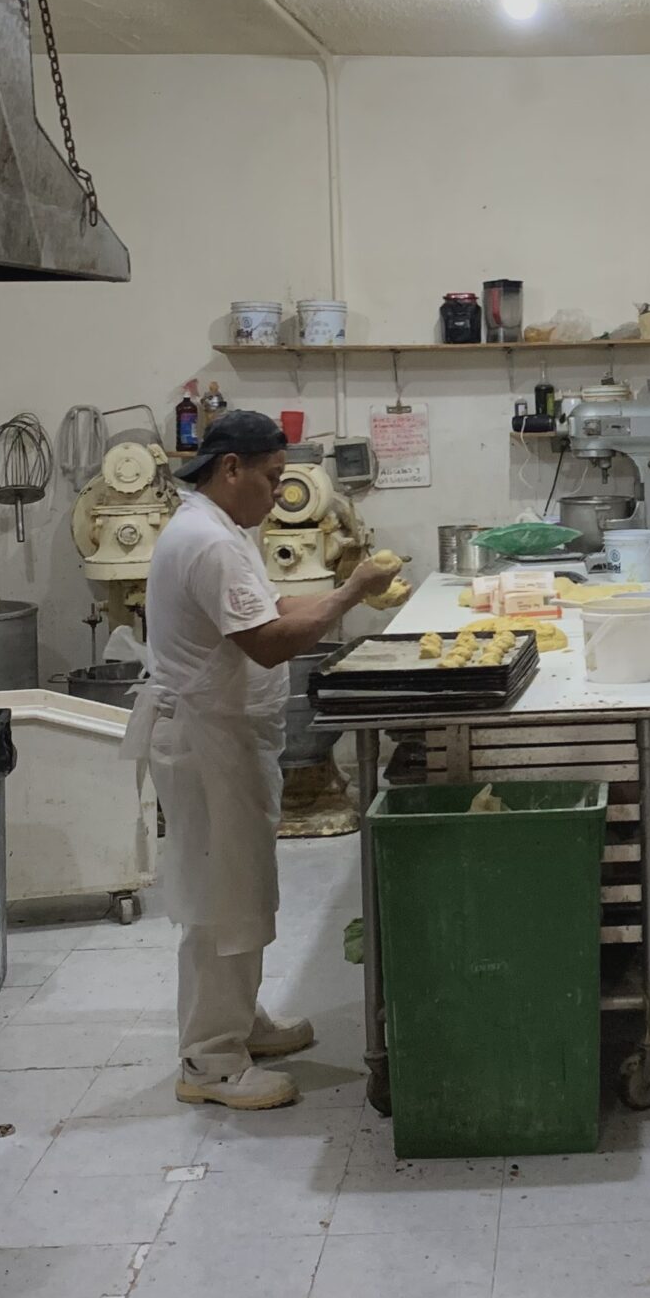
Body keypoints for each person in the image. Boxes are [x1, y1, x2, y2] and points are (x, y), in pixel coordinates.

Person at [120, 410, 396, 1110]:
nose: (278, 494)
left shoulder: (220, 529)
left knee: (242, 886)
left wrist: (347, 588)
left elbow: (271, 604)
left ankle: (240, 1022)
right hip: (205, 740)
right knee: (220, 898)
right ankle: (210, 1060)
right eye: (271, 479)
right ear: (230, 468)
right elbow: (269, 642)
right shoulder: (208, 542)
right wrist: (352, 593)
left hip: (224, 735)